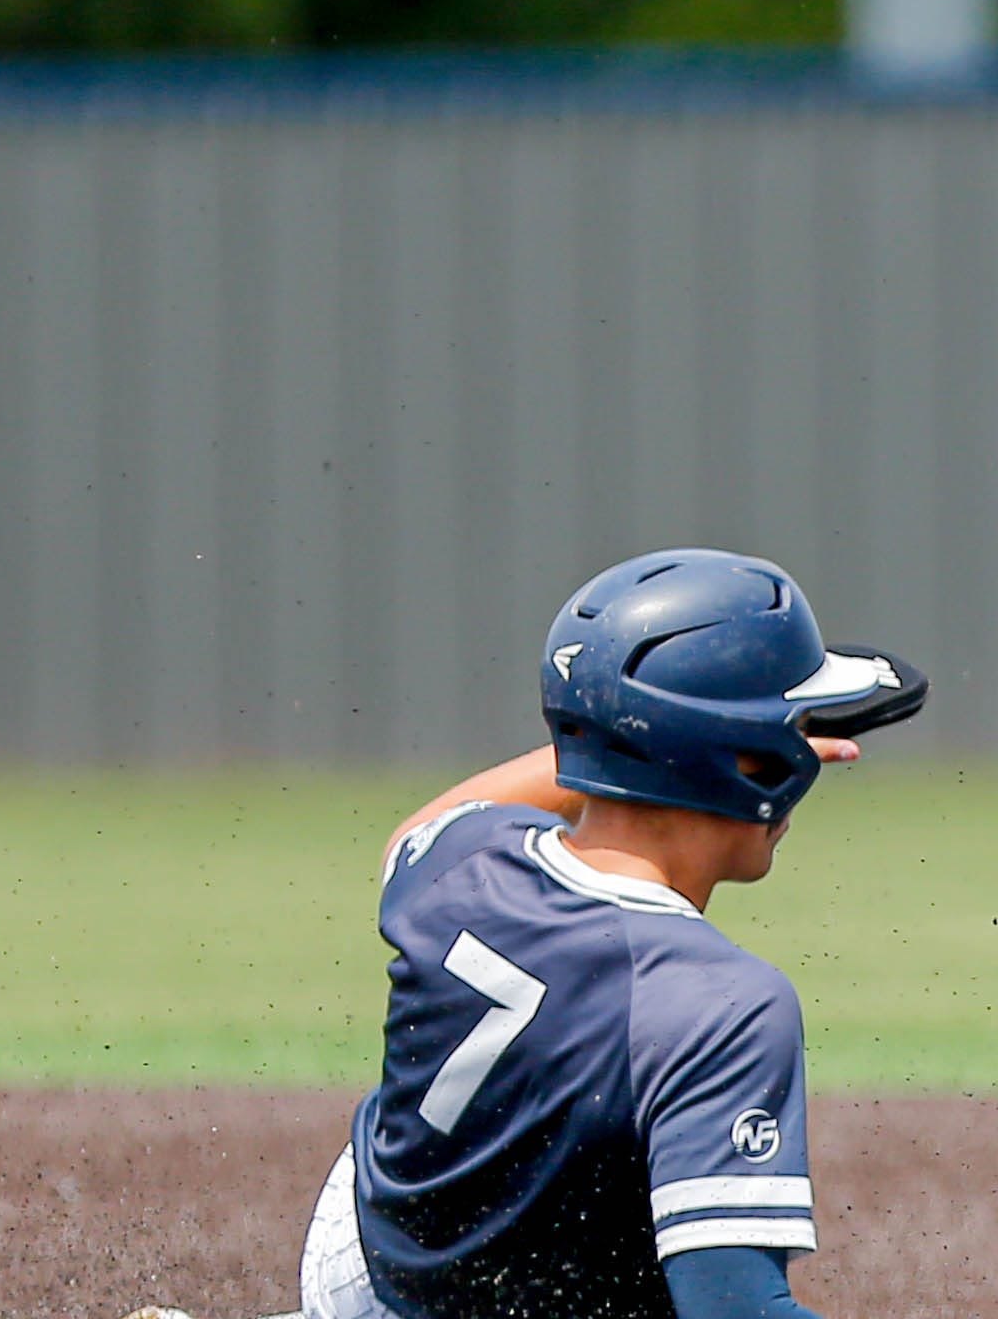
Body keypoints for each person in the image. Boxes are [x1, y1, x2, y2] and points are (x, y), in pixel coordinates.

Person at [292, 547, 926, 1319]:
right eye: (792, 730)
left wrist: (638, 735)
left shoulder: (458, 859)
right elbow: (732, 1309)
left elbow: (421, 829)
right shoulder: (722, 1003)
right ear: (749, 763)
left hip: (356, 1272)